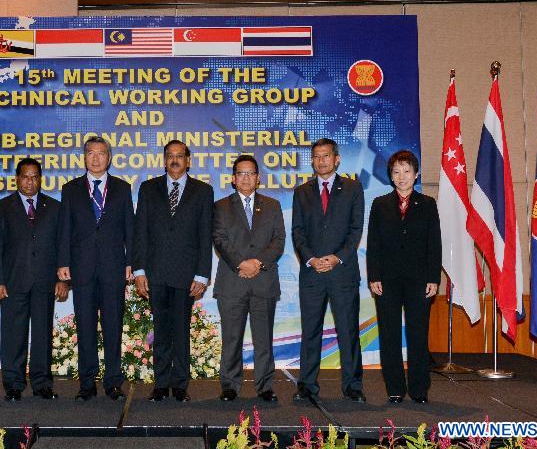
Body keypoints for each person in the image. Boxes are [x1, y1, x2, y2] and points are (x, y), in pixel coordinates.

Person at [133, 140, 213, 403]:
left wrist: (202, 275)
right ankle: (160, 384)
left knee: (180, 331)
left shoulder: (203, 191)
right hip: (156, 273)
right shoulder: (148, 188)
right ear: (164, 159)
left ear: (188, 160)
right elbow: (140, 231)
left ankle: (179, 385)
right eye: (170, 156)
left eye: (180, 156)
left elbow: (205, 236)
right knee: (161, 330)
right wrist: (139, 271)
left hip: (186, 275)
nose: (175, 160)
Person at [57, 137, 135, 401]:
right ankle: (87, 383)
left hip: (114, 269)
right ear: (84, 157)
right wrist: (63, 263)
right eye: (91, 153)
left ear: (109, 157)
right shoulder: (71, 189)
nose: (96, 158)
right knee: (86, 327)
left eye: (101, 153)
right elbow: (65, 230)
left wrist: (130, 262)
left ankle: (113, 382)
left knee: (113, 326)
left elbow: (130, 230)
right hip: (82, 269)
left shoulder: (123, 189)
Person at [0, 158, 69, 402]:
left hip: (45, 282)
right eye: (25, 176)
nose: (30, 181)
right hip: (12, 283)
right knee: (13, 335)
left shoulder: (55, 208)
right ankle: (13, 385)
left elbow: (62, 245)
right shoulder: (1, 208)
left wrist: (63, 279)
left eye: (34, 177)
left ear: (40, 179)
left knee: (43, 335)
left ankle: (42, 383)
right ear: (17, 178)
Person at [291, 138, 366, 403]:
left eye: (325, 156)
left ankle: (353, 385)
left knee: (348, 331)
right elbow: (297, 233)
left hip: (342, 272)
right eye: (316, 157)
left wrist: (337, 258)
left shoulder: (354, 188)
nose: (321, 161)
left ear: (336, 159)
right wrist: (311, 259)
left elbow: (356, 230)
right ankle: (307, 385)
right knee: (311, 331)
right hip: (312, 274)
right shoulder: (302, 192)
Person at [367, 150, 441, 404]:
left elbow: (435, 244)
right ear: (390, 175)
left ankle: (419, 390)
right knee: (389, 335)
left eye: (406, 171)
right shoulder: (380, 204)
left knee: (418, 335)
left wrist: (434, 277)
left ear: (416, 174)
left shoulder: (428, 204)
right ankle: (395, 389)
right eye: (396, 172)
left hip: (419, 280)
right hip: (386, 280)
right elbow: (373, 244)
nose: (401, 177)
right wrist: (373, 275)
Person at [212, 155, 285, 402]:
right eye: (240, 173)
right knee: (231, 337)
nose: (245, 177)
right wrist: (241, 264)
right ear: (233, 179)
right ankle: (230, 385)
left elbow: (279, 240)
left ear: (258, 178)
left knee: (263, 339)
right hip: (232, 282)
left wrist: (258, 263)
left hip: (263, 282)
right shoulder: (221, 206)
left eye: (250, 173)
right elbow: (220, 239)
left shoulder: (273, 206)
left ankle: (265, 386)